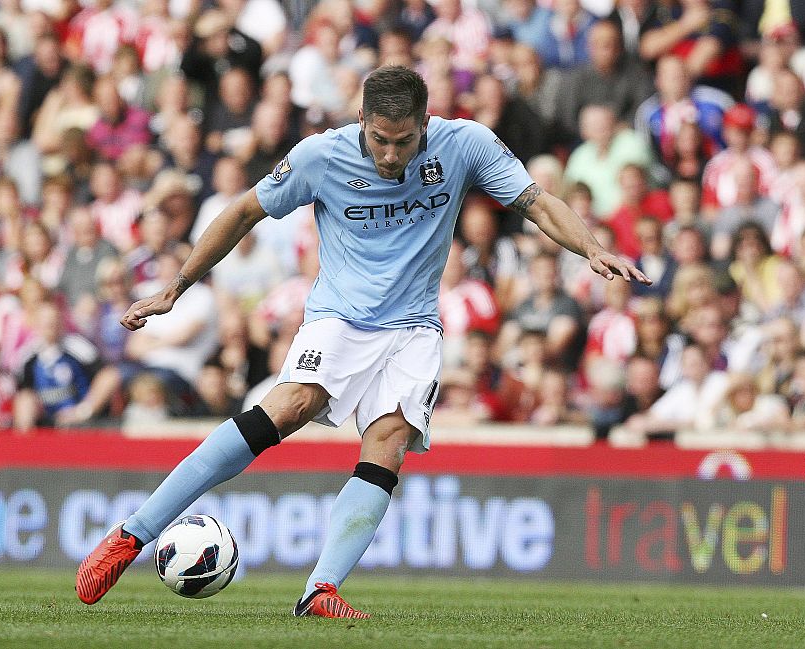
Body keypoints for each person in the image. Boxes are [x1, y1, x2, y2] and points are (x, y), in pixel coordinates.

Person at [74, 66, 650, 616]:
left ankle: (320, 589)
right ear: (361, 120)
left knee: (389, 443)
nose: (392, 155)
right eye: (380, 140)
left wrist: (593, 249)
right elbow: (245, 211)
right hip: (340, 319)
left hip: (414, 327)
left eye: (404, 142)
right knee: (289, 406)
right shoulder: (320, 155)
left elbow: (537, 202)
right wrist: (177, 287)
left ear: (426, 124)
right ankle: (132, 535)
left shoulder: (465, 144)